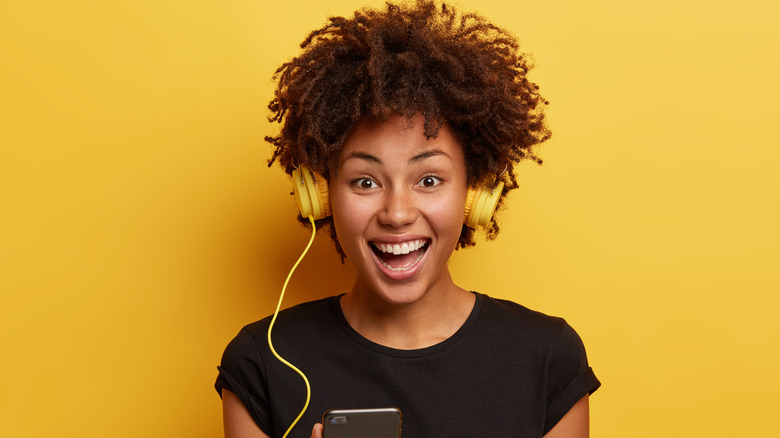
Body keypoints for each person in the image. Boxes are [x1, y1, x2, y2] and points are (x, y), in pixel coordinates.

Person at [215, 1, 600, 437]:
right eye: (364, 182)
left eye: (430, 179)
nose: (397, 213)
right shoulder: (262, 364)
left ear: (474, 194)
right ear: (320, 196)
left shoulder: (548, 360)